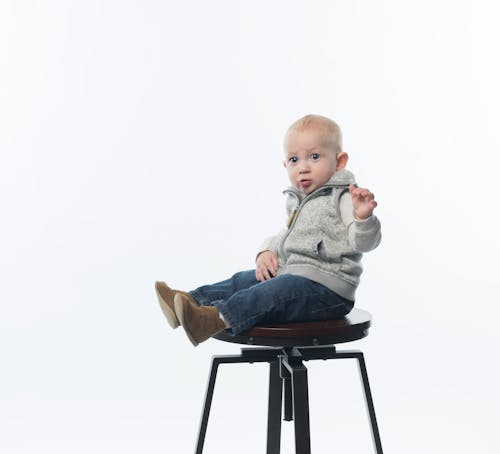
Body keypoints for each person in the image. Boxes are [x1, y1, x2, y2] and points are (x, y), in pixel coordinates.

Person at [155, 114, 381, 346]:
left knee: (270, 292)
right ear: (285, 164)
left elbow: (363, 242)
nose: (302, 168)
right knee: (243, 280)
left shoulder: (343, 197)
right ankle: (189, 302)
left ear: (339, 161)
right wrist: (266, 251)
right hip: (294, 275)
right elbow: (287, 235)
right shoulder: (300, 199)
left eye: (314, 157)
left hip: (327, 291)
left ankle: (213, 319)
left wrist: (364, 217)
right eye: (294, 160)